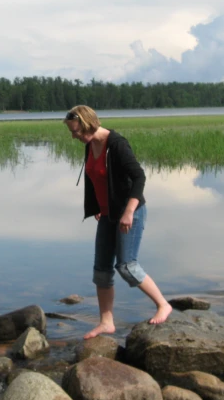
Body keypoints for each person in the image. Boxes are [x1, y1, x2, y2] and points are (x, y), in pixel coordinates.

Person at [64, 105, 172, 339]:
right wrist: (97, 206)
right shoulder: (90, 144)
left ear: (88, 124)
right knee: (101, 270)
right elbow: (96, 177)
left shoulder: (117, 144)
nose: (74, 137)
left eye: (76, 132)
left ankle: (163, 305)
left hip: (129, 212)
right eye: (72, 133)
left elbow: (139, 177)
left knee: (126, 265)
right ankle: (106, 323)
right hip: (107, 214)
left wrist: (128, 212)